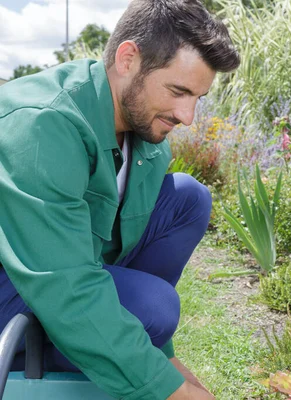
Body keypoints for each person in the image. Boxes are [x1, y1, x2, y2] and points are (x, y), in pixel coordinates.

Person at [0, 0, 239, 399]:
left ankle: (128, 346)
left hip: (62, 268)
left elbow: (103, 251)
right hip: (18, 281)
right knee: (153, 306)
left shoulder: (146, 139)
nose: (188, 116)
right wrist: (174, 393)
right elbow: (65, 285)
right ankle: (71, 347)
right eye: (178, 91)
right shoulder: (42, 124)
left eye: (197, 97)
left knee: (188, 198)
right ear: (128, 59)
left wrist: (164, 359)